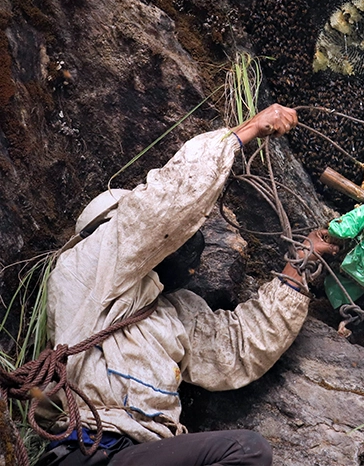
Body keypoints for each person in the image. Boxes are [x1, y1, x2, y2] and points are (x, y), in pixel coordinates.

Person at [38, 104, 338, 466]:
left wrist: (300, 264)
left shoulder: (170, 311)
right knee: (246, 451)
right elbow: (163, 207)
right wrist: (246, 132)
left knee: (247, 452)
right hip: (88, 451)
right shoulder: (88, 265)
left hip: (142, 453)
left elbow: (238, 347)